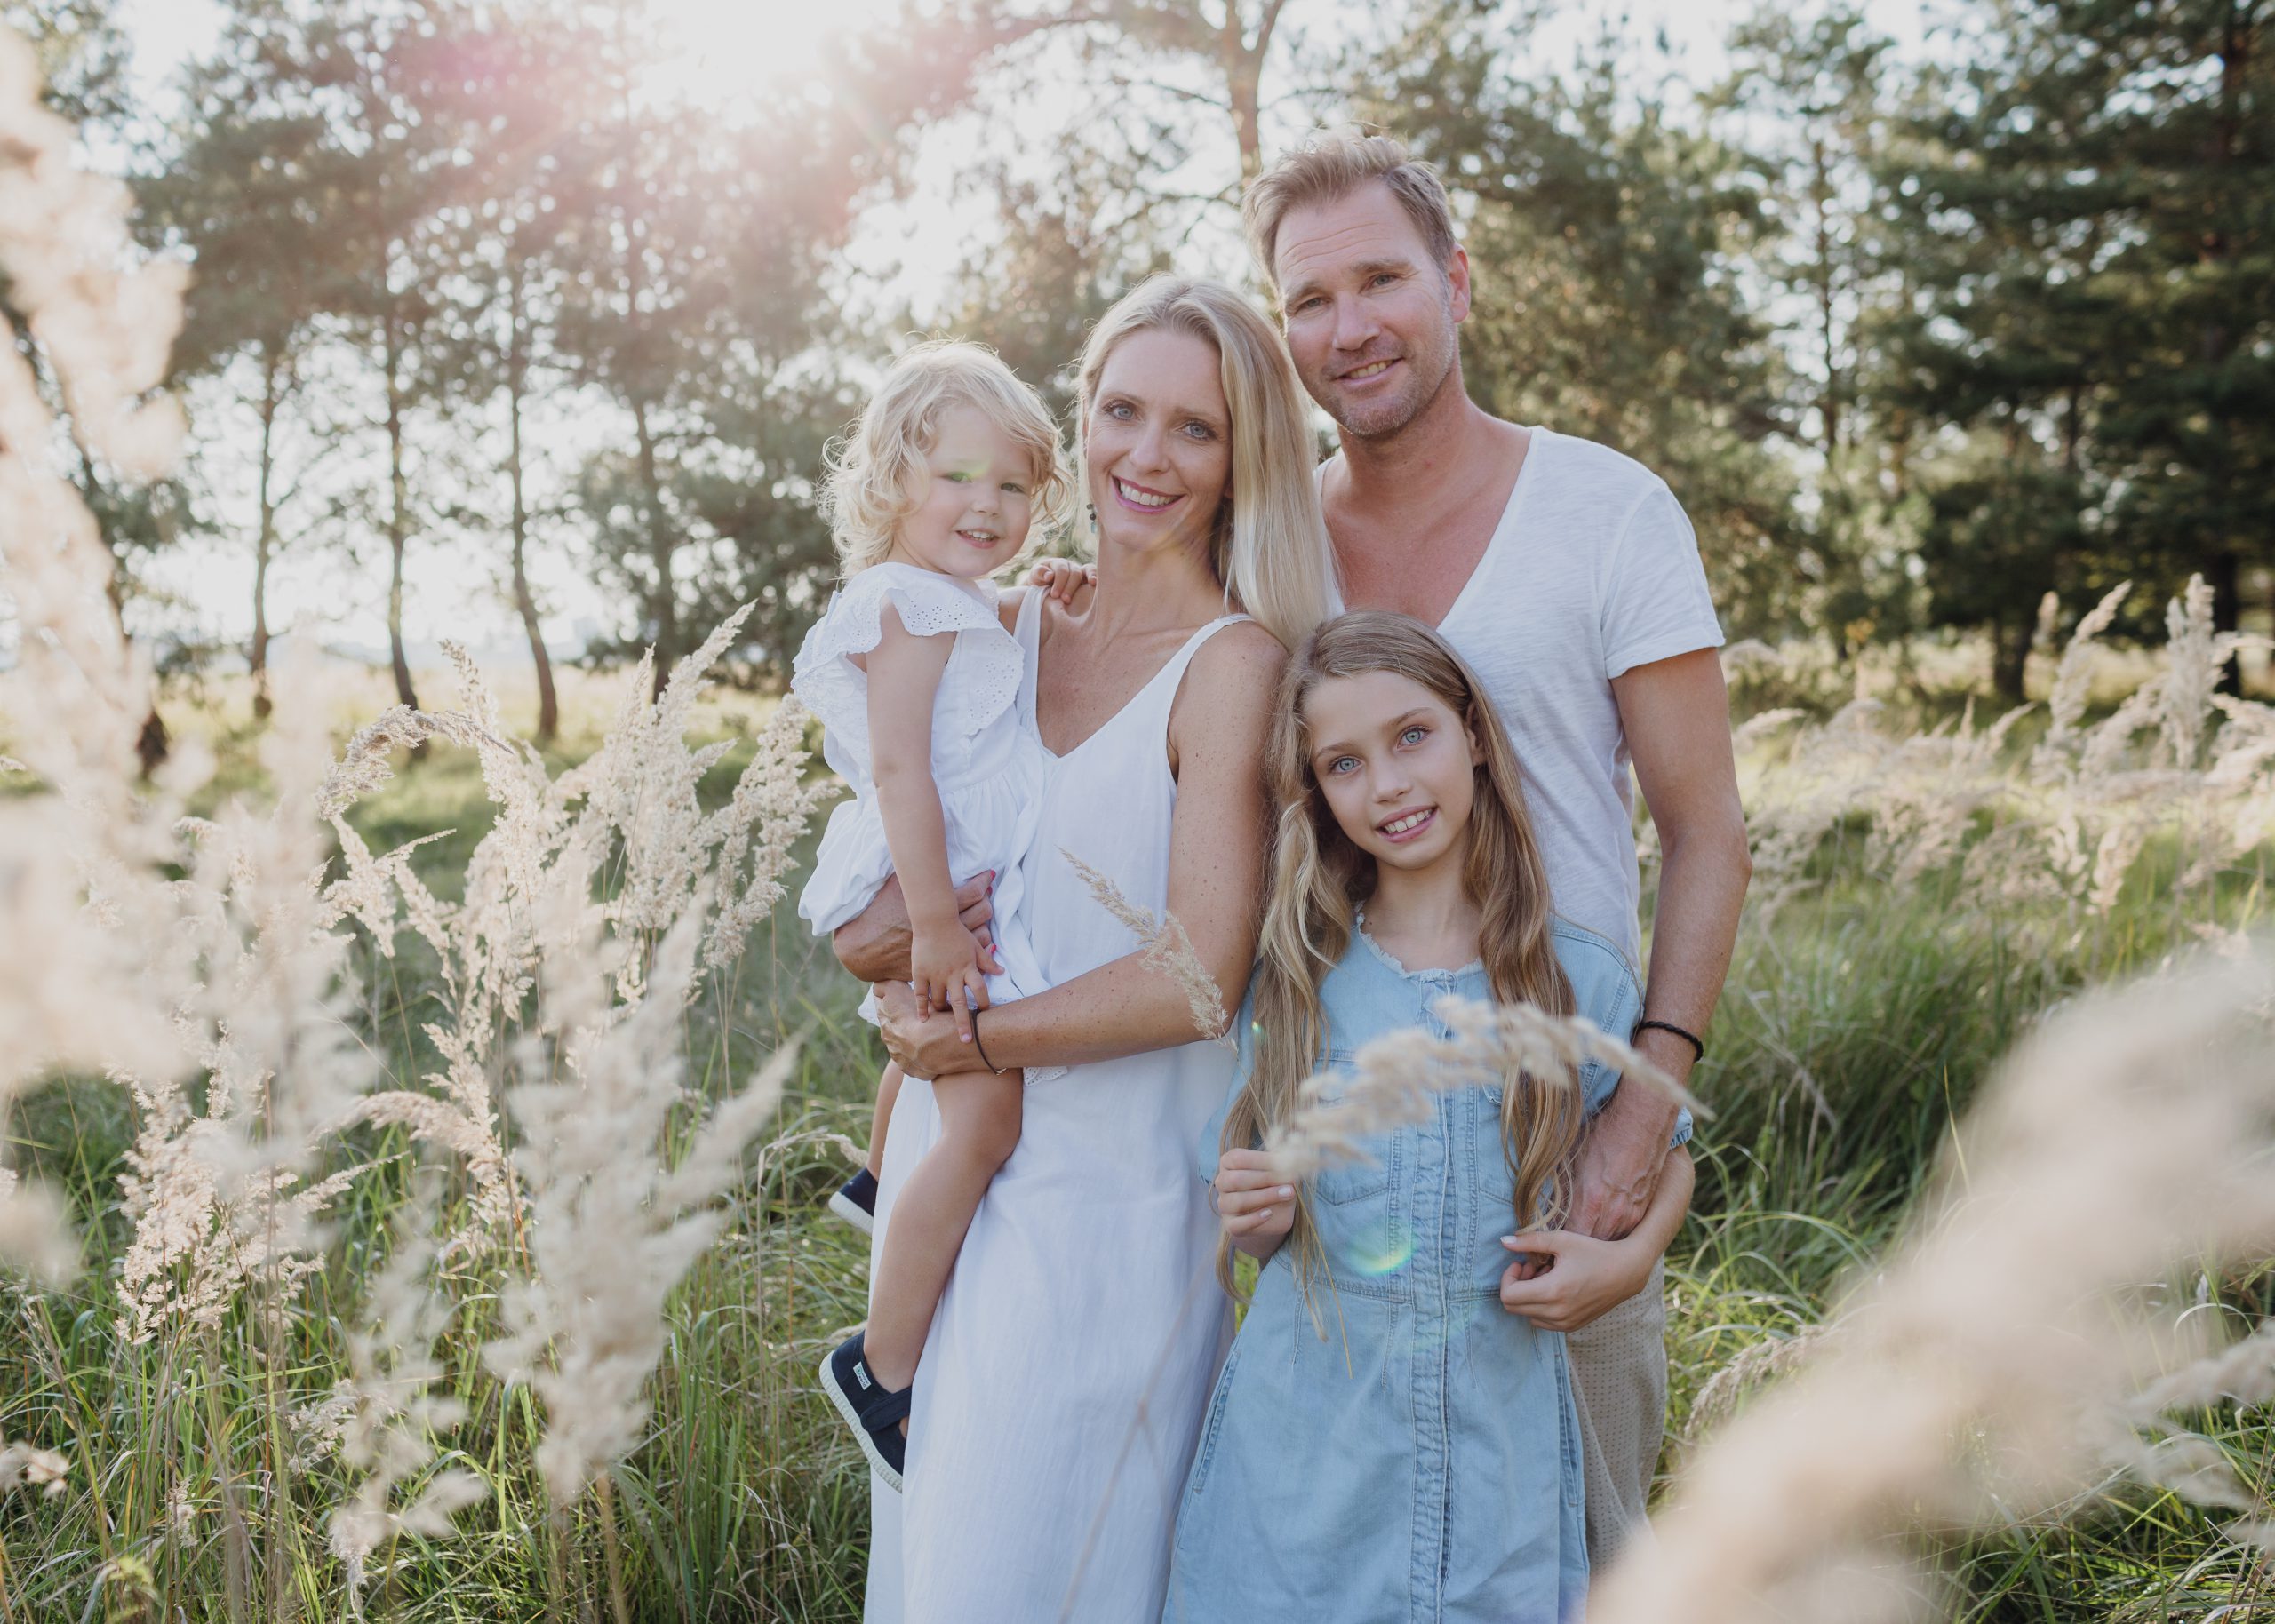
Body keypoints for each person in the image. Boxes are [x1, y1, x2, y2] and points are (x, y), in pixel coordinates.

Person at [1241, 131, 1752, 1562]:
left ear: (1458, 281)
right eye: (1309, 299)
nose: (1349, 328)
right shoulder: (1264, 549)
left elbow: (1710, 836)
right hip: (1345, 1172)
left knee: (1585, 1563)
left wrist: (1639, 1128)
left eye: (1382, 280)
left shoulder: (1607, 510)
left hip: (1560, 1148)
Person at [831, 275, 1333, 1623]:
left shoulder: (1233, 664)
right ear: (1082, 418)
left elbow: (1195, 977)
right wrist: (884, 952)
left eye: (1194, 430)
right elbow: (875, 905)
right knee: (931, 1576)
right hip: (949, 1183)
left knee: (1027, 1581)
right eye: (1121, 412)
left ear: (1243, 465)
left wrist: (972, 1037)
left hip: (1105, 1223)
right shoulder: (990, 625)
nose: (1146, 458)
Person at [1163, 611, 1694, 1622]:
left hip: (1499, 1452)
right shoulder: (1296, 984)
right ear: (1317, 792)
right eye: (1345, 763)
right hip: (1309, 1449)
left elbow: (1665, 1158)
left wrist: (1623, 1265)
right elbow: (1256, 1220)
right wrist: (1256, 1208)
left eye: (1413, 736)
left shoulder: (1576, 975)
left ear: (1473, 735)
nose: (1390, 785)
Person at [794, 342, 1074, 1489]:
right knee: (986, 1120)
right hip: (920, 873)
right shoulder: (905, 604)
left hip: (934, 871)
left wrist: (1035, 592)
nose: (987, 506)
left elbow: (987, 646)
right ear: (894, 482)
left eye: (1011, 488)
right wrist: (937, 925)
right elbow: (904, 772)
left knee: (924, 1047)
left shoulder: (951, 598)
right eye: (958, 478)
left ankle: (874, 1180)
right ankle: (882, 1366)